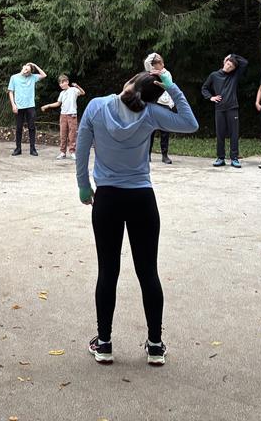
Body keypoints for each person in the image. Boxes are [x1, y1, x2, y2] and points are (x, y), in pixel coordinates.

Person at [76, 67, 199, 366]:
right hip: (141, 198)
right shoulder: (152, 113)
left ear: (129, 83)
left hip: (107, 198)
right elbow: (190, 123)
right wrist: (172, 87)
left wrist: (83, 185)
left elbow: (81, 149)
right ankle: (155, 345)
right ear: (155, 95)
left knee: (108, 272)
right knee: (148, 273)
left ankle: (104, 343)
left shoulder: (96, 107)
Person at [200, 53, 249, 168]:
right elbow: (204, 88)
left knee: (234, 134)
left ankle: (234, 158)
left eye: (231, 66)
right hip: (219, 109)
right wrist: (211, 97)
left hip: (232, 108)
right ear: (224, 62)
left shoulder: (234, 75)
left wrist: (232, 55)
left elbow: (245, 63)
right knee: (220, 134)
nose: (229, 67)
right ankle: (220, 158)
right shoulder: (214, 75)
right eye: (228, 64)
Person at [40, 74, 85, 159]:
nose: (61, 84)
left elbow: (83, 93)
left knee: (72, 134)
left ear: (67, 82)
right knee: (63, 134)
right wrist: (47, 106)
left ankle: (72, 152)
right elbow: (58, 103)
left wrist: (77, 86)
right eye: (60, 83)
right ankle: (63, 152)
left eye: (62, 82)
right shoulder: (62, 93)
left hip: (72, 115)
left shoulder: (73, 90)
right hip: (63, 115)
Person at [9, 62, 47, 156]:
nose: (26, 72)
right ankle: (18, 149)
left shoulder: (33, 77)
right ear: (23, 67)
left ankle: (32, 149)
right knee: (19, 128)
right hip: (19, 106)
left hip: (30, 106)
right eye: (26, 69)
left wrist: (35, 65)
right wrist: (13, 105)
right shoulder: (14, 77)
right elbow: (11, 92)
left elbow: (44, 75)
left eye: (29, 71)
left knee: (32, 127)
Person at [144, 53, 175, 164]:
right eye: (155, 66)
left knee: (165, 131)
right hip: (153, 103)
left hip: (165, 104)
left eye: (160, 64)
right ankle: (147, 155)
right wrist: (155, 55)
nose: (157, 68)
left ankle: (164, 155)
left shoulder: (167, 73)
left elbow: (169, 86)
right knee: (150, 130)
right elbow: (147, 62)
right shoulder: (151, 72)